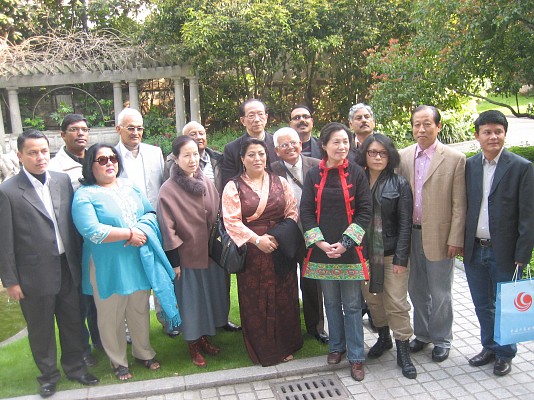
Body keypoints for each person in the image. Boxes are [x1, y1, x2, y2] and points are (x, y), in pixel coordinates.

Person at [0, 130, 99, 398]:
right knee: (40, 329)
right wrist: (10, 281)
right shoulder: (7, 191)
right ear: (20, 156)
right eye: (32, 153)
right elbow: (4, 241)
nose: (40, 157)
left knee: (73, 322)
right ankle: (48, 376)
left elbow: (71, 224)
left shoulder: (61, 180)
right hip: (33, 274)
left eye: (44, 151)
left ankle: (76, 369)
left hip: (68, 267)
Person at [72, 144, 179, 381]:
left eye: (113, 158)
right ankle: (118, 361)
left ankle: (144, 353)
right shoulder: (85, 195)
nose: (110, 163)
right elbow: (91, 230)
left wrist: (140, 230)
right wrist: (129, 234)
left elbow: (150, 213)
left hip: (137, 260)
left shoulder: (129, 186)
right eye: (102, 160)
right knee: (111, 315)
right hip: (107, 264)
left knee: (139, 309)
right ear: (90, 165)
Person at [300, 122, 372, 381]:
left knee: (352, 305)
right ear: (324, 145)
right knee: (330, 302)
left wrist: (346, 243)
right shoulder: (313, 175)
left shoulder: (357, 173)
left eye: (345, 142)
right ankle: (336, 347)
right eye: (336, 142)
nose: (342, 147)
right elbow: (306, 211)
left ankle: (356, 356)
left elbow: (365, 211)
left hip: (349, 251)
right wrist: (320, 243)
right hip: (323, 252)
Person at [464, 110, 534, 376]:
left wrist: (522, 254)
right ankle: (489, 346)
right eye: (487, 132)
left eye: (498, 131)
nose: (493, 136)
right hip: (474, 249)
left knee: (506, 305)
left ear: (505, 133)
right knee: (482, 304)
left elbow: (528, 216)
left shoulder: (521, 167)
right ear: (477, 135)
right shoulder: (469, 166)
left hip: (505, 251)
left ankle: (505, 353)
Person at [222, 138, 303, 366]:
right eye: (251, 154)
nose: (257, 158)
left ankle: (287, 344)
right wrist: (257, 240)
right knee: (257, 299)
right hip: (252, 253)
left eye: (261, 153)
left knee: (284, 295)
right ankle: (264, 350)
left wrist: (277, 236)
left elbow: (292, 212)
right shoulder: (233, 186)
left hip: (279, 247)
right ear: (242, 159)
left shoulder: (280, 182)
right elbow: (231, 221)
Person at [398, 105, 466, 362]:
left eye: (427, 124)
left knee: (440, 292)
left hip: (440, 236)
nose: (421, 129)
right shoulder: (403, 157)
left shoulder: (455, 159)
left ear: (438, 126)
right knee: (416, 289)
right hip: (411, 235)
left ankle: (442, 339)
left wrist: (455, 238)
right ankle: (423, 334)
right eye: (417, 124)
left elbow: (459, 204)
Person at [158, 135, 229, 367]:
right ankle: (193, 344)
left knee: (208, 299)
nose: (192, 160)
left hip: (209, 253)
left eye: (195, 154)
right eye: (186, 155)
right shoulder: (168, 190)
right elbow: (167, 229)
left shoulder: (204, 180)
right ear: (175, 158)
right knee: (191, 302)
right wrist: (175, 261)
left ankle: (204, 337)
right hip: (186, 257)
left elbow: (218, 211)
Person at [356, 134, 416, 379]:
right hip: (364, 255)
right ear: (365, 155)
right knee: (373, 300)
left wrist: (401, 258)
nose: (378, 157)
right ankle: (383, 338)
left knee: (396, 303)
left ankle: (403, 349)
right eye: (372, 152)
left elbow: (405, 224)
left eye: (382, 153)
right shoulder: (356, 182)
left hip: (392, 255)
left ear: (390, 156)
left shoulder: (399, 184)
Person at [114, 108, 176, 337]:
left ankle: (167, 319)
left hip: (156, 223)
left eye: (139, 128)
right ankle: (130, 328)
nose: (136, 132)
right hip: (126, 227)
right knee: (131, 278)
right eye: (130, 128)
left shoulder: (154, 152)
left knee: (161, 273)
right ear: (118, 129)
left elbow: (164, 186)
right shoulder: (109, 155)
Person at [48, 114, 102, 367]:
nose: (81, 133)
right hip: (72, 242)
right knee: (77, 299)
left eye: (84, 129)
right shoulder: (54, 168)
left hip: (97, 239)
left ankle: (102, 340)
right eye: (74, 129)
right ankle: (81, 349)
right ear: (62, 135)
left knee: (99, 293)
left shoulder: (95, 159)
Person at [271, 127, 328, 344]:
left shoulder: (317, 165)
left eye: (293, 143)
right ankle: (289, 327)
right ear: (277, 150)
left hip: (312, 232)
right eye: (284, 145)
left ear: (300, 144)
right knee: (285, 282)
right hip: (285, 232)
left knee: (312, 282)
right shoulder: (271, 170)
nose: (290, 147)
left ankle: (316, 327)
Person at [221, 99, 279, 187]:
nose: (257, 119)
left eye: (260, 114)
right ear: (243, 121)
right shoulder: (232, 149)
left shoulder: (277, 143)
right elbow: (228, 183)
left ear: (266, 117)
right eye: (251, 115)